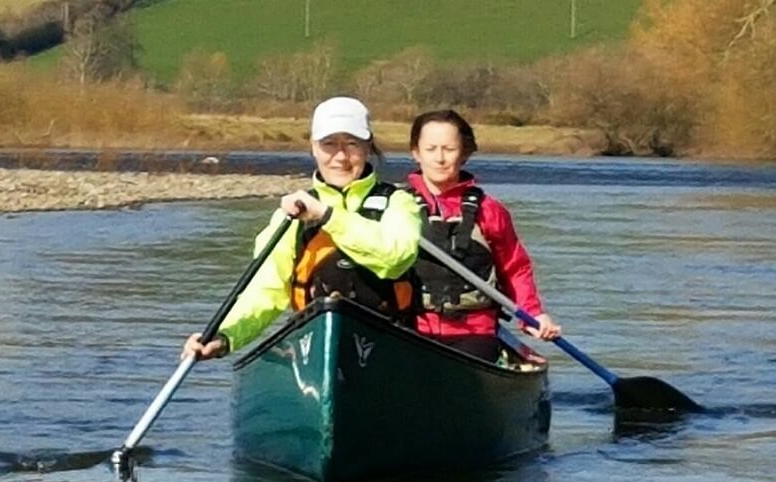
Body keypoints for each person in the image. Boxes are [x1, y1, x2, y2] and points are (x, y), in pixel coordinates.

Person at [182, 96, 422, 361]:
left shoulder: (398, 203)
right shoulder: (290, 217)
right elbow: (265, 292)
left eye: (351, 144)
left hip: (389, 348)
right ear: (314, 148)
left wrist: (327, 216)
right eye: (329, 144)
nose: (340, 157)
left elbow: (396, 259)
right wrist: (225, 337)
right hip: (315, 349)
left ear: (368, 147)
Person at [407, 109, 561, 361]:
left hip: (474, 332)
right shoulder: (397, 206)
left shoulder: (490, 211)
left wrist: (533, 316)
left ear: (464, 153)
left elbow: (515, 268)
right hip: (411, 328)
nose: (440, 158)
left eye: (449, 149)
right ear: (416, 153)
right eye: (431, 149)